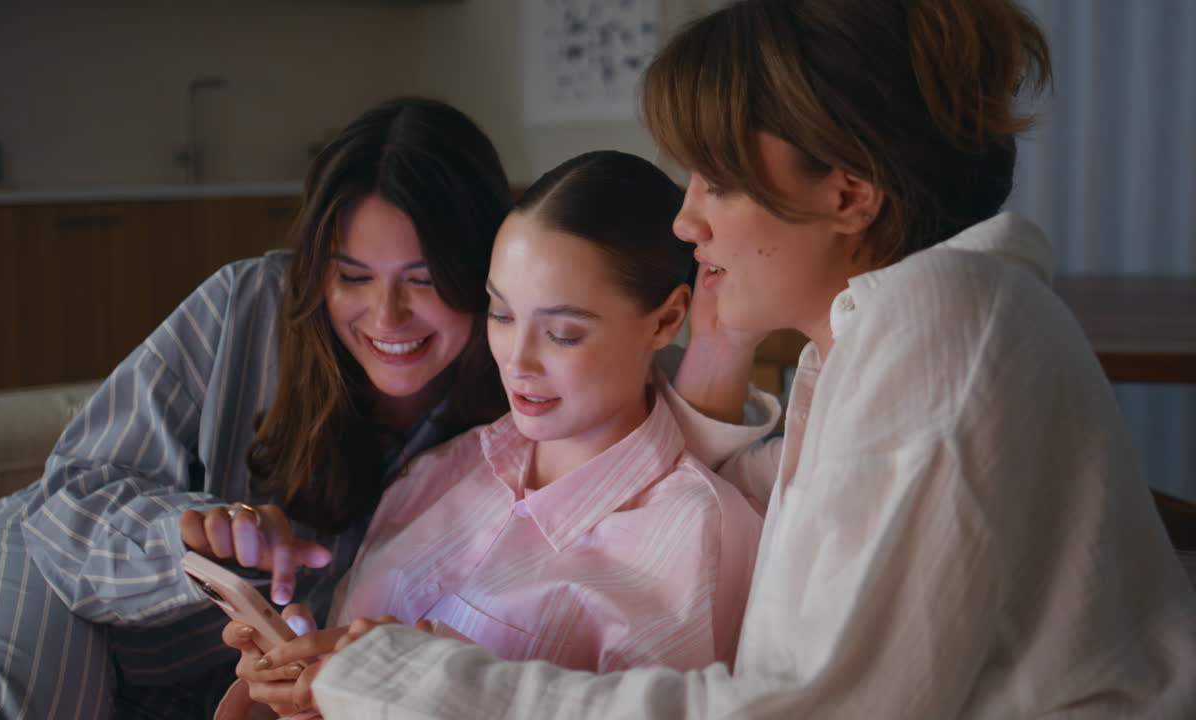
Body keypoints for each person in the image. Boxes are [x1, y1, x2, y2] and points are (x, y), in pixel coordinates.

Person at [300, 2, 1196, 718]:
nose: (688, 223)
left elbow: (806, 707)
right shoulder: (856, 346)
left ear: (849, 193)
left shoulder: (945, 323)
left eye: (716, 183)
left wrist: (403, 682)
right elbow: (728, 480)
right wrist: (720, 334)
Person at [0, 97, 513, 719]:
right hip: (51, 576)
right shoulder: (248, 305)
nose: (387, 317)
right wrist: (190, 532)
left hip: (198, 678)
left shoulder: (517, 395)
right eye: (353, 277)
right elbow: (70, 495)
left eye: (422, 279)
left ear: (481, 268)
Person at [219, 151, 764, 718]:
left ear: (666, 320)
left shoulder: (698, 535)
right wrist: (292, 684)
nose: (519, 361)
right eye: (501, 315)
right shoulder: (437, 471)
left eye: (562, 333)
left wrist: (454, 690)